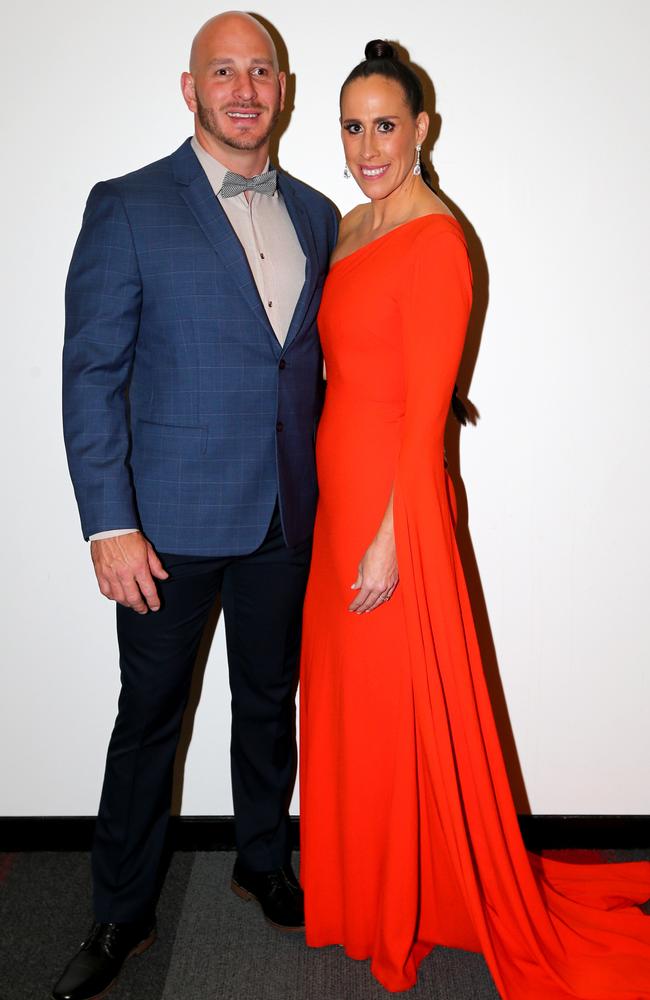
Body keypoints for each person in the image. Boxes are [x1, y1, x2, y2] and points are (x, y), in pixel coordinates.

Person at [299, 39, 650, 998]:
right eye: (352, 126)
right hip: (339, 507)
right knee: (355, 711)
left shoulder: (438, 239)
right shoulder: (349, 228)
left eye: (385, 125)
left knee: (401, 711)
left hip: (390, 507)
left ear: (423, 129)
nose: (368, 144)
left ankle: (413, 904)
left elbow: (426, 411)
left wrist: (392, 534)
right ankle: (364, 894)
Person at [55, 11, 337, 1000]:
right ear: (190, 88)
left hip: (283, 521)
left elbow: (311, 367)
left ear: (283, 87)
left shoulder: (314, 214)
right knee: (149, 719)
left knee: (267, 705)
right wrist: (108, 521)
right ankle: (121, 911)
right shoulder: (129, 204)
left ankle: (261, 856)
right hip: (163, 527)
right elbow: (91, 373)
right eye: (224, 71)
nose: (244, 89)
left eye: (260, 70)